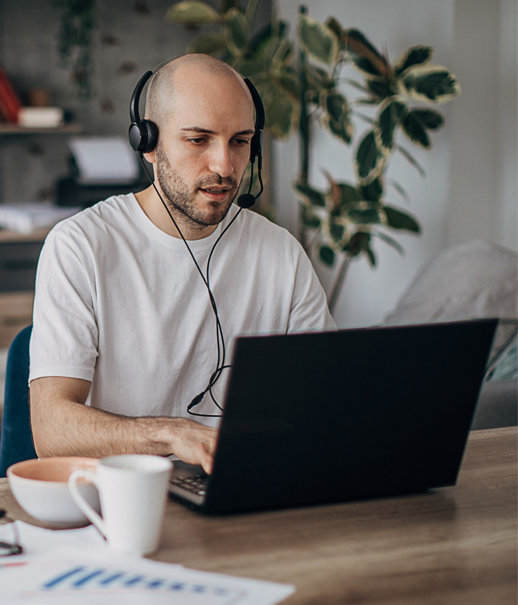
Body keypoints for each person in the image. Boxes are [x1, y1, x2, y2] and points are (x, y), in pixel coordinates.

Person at [28, 54, 335, 473]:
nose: (225, 166)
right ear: (148, 143)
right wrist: (172, 434)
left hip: (243, 484)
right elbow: (52, 432)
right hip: (123, 500)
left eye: (240, 141)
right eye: (198, 140)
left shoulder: (279, 251)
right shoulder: (80, 245)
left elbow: (325, 398)